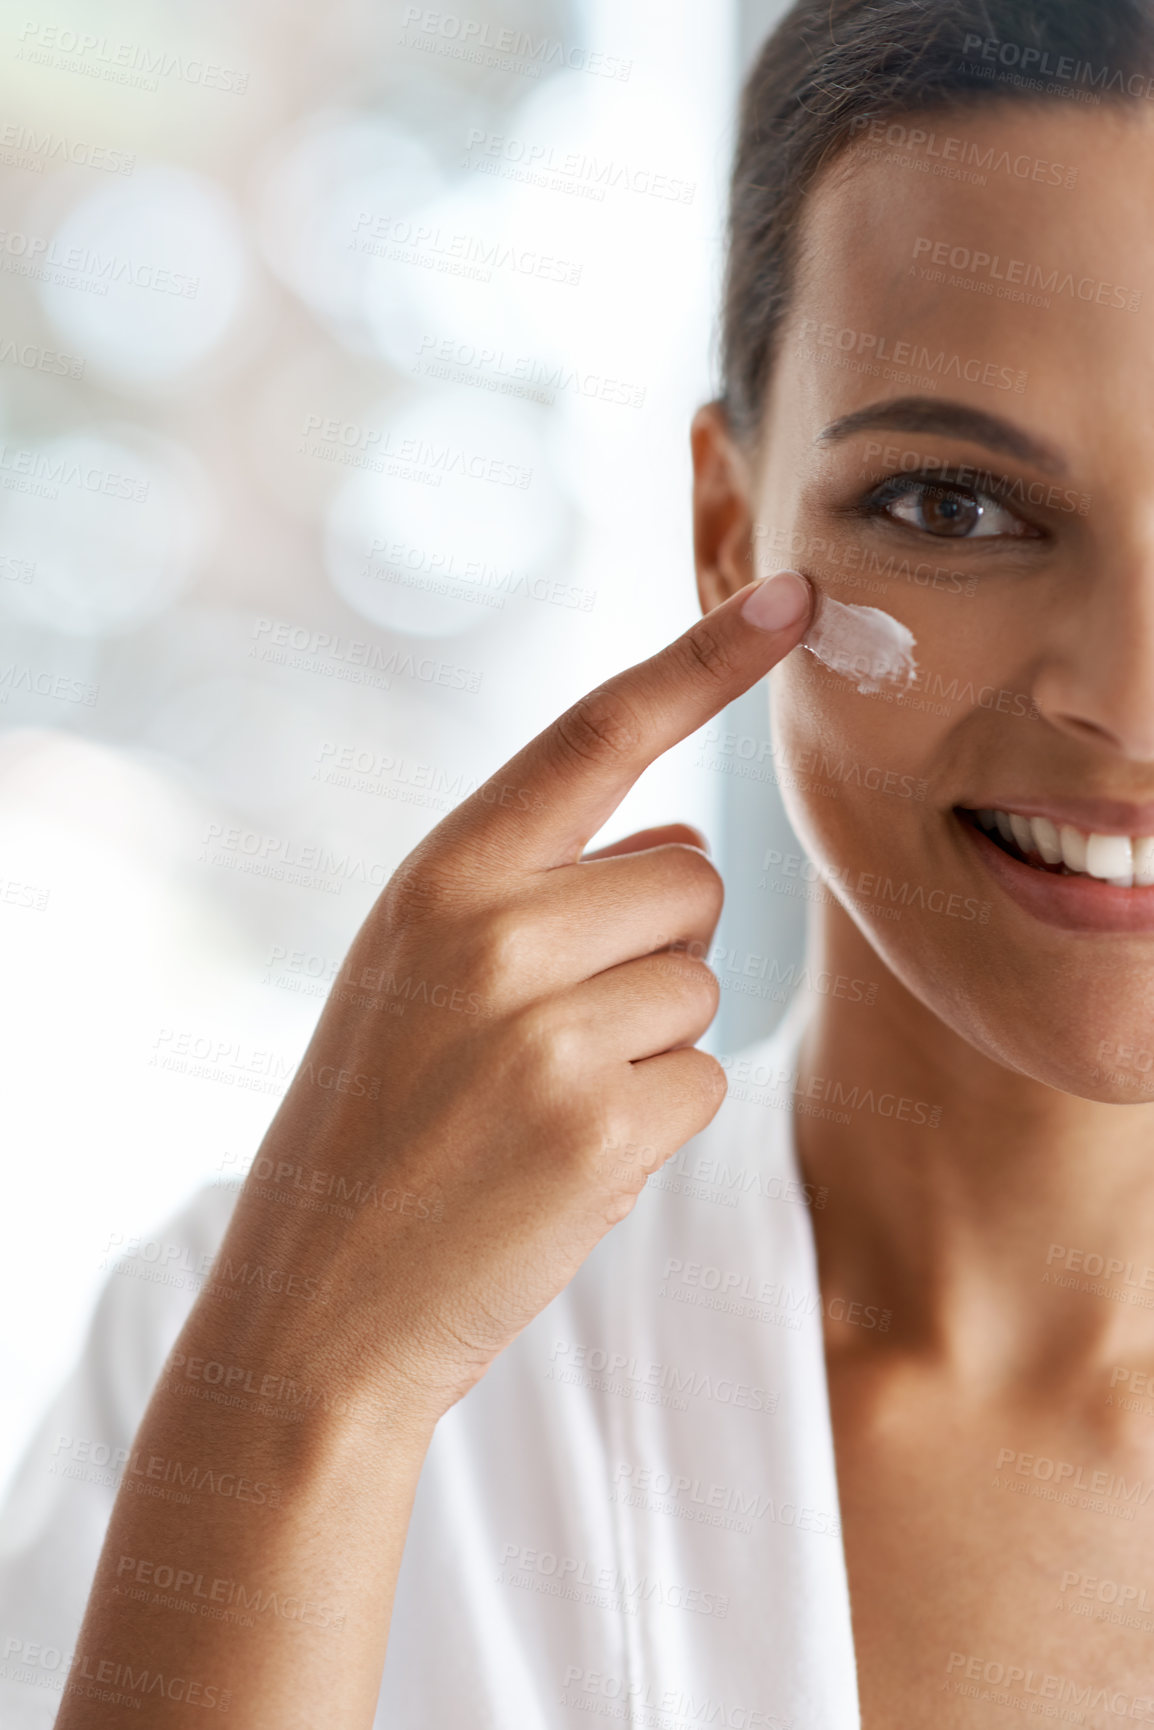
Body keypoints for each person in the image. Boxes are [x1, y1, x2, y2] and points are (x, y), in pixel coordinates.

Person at [6, 0, 1154, 1722]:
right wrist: (306, 1393)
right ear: (725, 533)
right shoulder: (259, 1328)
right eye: (952, 506)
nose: (1123, 702)